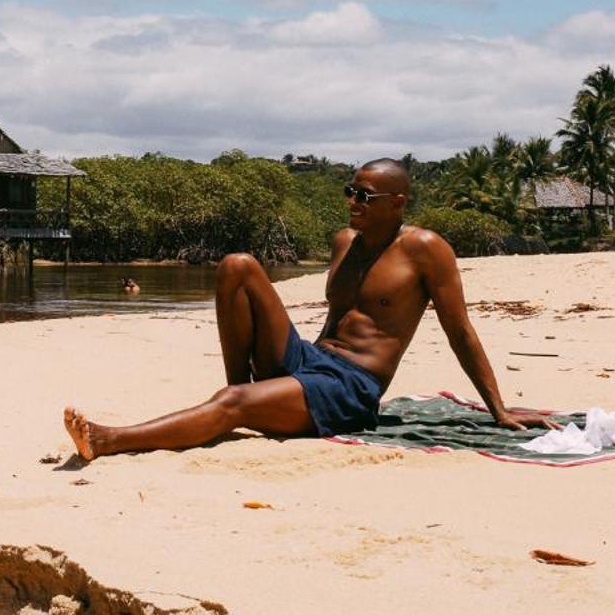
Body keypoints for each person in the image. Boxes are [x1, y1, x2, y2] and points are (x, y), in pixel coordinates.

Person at [64, 159, 554, 462]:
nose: (353, 202)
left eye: (365, 196)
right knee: (238, 265)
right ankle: (245, 392)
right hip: (307, 358)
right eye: (350, 191)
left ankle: (111, 440)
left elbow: (460, 331)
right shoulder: (344, 241)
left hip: (350, 387)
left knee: (232, 403)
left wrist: (498, 408)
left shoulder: (425, 249)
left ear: (397, 203)